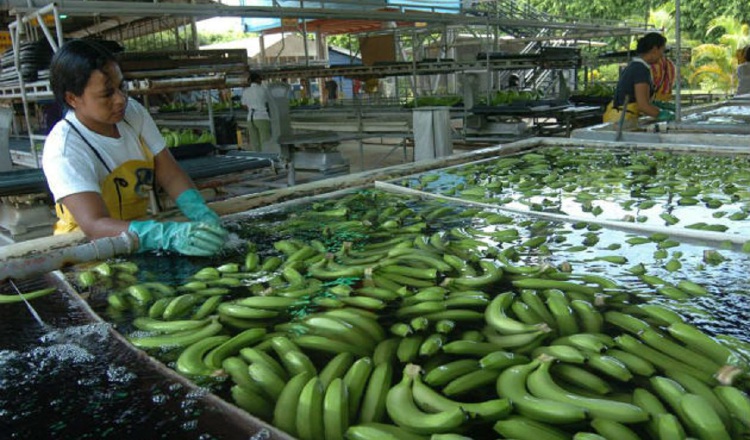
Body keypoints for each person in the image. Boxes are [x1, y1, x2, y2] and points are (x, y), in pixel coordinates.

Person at [42, 39, 227, 257]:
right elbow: (94, 226)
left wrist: (200, 212)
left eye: (122, 86)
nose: (121, 99)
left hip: (139, 236)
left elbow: (168, 172)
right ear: (73, 98)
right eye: (107, 94)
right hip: (88, 249)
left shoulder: (133, 114)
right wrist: (165, 234)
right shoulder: (65, 149)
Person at [603, 32, 675, 125]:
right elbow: (643, 106)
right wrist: (662, 114)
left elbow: (640, 100)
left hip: (623, 117)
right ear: (654, 49)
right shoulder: (640, 69)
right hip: (622, 119)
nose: (662, 55)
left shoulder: (637, 66)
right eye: (662, 50)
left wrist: (656, 104)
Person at [240, 71, 272, 151]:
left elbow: (243, 105)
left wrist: (251, 106)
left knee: (255, 142)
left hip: (250, 118)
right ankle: (267, 159)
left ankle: (258, 159)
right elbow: (270, 102)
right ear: (258, 80)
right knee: (265, 141)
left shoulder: (246, 91)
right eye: (260, 79)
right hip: (262, 117)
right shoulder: (263, 89)